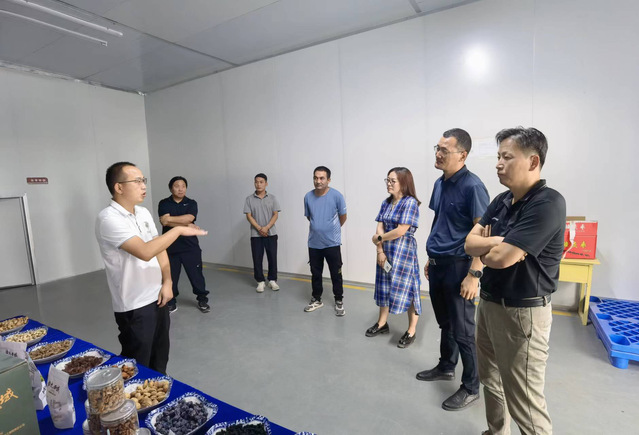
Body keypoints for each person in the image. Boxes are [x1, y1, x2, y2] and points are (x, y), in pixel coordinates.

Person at [465, 127, 565, 435]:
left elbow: (501, 259)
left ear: (533, 161)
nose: (498, 163)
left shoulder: (547, 203)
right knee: (490, 380)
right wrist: (498, 242)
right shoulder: (501, 200)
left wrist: (492, 248)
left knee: (526, 403)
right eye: (498, 156)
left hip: (523, 314)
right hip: (489, 304)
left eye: (507, 157)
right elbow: (469, 244)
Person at [95, 162, 208, 374]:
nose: (143, 185)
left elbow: (159, 248)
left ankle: (158, 392)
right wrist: (178, 230)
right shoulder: (108, 219)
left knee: (160, 358)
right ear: (119, 187)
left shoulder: (143, 212)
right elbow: (145, 251)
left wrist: (168, 281)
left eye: (143, 180)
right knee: (137, 365)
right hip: (134, 304)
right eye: (137, 181)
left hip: (158, 296)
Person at [416, 128, 490, 411]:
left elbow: (484, 232)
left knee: (463, 330)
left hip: (460, 267)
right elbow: (441, 221)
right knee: (446, 323)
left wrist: (474, 273)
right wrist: (431, 255)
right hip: (439, 264)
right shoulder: (440, 183)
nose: (438, 154)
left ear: (463, 155)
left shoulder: (473, 187)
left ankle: (471, 387)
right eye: (437, 148)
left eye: (444, 150)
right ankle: (446, 366)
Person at [367, 167, 422, 348]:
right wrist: (380, 250)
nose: (389, 184)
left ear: (404, 183)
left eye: (393, 181)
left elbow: (400, 231)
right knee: (384, 286)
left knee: (409, 289)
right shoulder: (386, 202)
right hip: (386, 251)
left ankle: (411, 330)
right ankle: (382, 323)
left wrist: (379, 239)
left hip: (403, 253)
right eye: (387, 180)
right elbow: (379, 227)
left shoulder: (410, 203)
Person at [158, 176, 210, 314]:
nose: (180, 189)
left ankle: (202, 299)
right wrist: (186, 224)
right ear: (171, 188)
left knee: (196, 275)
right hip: (170, 247)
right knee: (171, 277)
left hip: (190, 247)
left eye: (183, 186)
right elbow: (164, 222)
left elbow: (189, 218)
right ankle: (171, 302)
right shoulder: (164, 203)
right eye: (177, 186)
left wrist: (171, 220)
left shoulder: (191, 203)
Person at [303, 166, 347, 316]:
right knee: (316, 273)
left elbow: (343, 217)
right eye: (315, 178)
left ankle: (339, 300)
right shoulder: (308, 197)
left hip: (332, 243)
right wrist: (319, 228)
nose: (318, 181)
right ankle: (316, 299)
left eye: (322, 178)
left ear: (328, 180)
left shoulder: (337, 196)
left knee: (336, 273)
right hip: (314, 243)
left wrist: (330, 230)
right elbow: (310, 217)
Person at [243, 173, 281, 292]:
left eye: (261, 182)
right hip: (256, 235)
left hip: (271, 233)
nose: (258, 184)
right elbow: (249, 216)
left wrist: (267, 227)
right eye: (256, 182)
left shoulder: (272, 198)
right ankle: (260, 281)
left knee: (272, 257)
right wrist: (260, 228)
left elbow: (275, 214)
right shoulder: (249, 199)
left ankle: (272, 280)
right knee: (257, 258)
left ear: (266, 183)